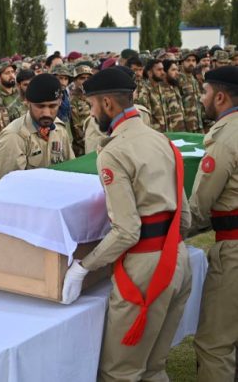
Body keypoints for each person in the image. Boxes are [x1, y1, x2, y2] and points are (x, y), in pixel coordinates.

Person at [62, 68, 192, 381]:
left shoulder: (114, 152)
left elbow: (127, 229)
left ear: (107, 104)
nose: (91, 114)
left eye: (92, 106)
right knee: (154, 367)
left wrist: (84, 266)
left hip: (144, 271)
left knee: (120, 372)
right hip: (177, 258)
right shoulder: (162, 141)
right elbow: (184, 216)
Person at [188, 66, 238, 382]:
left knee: (214, 345)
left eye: (205, 92)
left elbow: (200, 206)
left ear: (219, 96)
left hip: (233, 250)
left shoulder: (223, 140)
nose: (202, 98)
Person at [0, 73, 74, 182]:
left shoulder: (59, 128)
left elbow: (70, 170)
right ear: (28, 102)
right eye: (40, 106)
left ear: (60, 101)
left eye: (52, 106)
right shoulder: (14, 136)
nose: (46, 113)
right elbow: (13, 186)